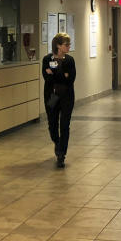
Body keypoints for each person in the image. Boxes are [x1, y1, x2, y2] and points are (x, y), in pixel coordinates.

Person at [42, 32, 76, 168]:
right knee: (52, 123)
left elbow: (70, 79)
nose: (69, 47)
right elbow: (47, 78)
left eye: (69, 44)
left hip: (67, 96)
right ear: (58, 46)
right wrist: (62, 74)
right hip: (52, 96)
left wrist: (55, 73)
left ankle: (61, 154)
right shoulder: (47, 59)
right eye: (66, 44)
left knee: (65, 125)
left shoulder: (69, 60)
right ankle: (57, 142)